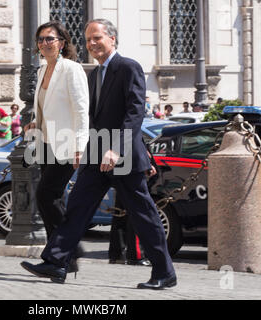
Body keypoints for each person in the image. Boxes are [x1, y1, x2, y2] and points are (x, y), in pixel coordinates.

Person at [21, 19, 176, 290]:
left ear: (112, 39)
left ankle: (164, 272)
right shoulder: (93, 75)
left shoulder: (128, 67)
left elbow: (134, 114)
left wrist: (117, 149)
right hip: (96, 155)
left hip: (122, 157)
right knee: (77, 209)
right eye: (89, 40)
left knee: (143, 215)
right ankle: (57, 262)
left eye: (97, 38)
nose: (92, 44)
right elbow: (87, 118)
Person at [23, 21, 89, 272]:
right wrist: (34, 124)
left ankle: (69, 249)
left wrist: (79, 147)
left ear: (62, 43)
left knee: (46, 195)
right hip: (48, 143)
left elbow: (81, 110)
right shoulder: (42, 70)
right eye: (40, 39)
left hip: (67, 142)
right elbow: (46, 107)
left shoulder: (71, 69)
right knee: (52, 199)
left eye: (49, 39)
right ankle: (62, 259)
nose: (44, 43)